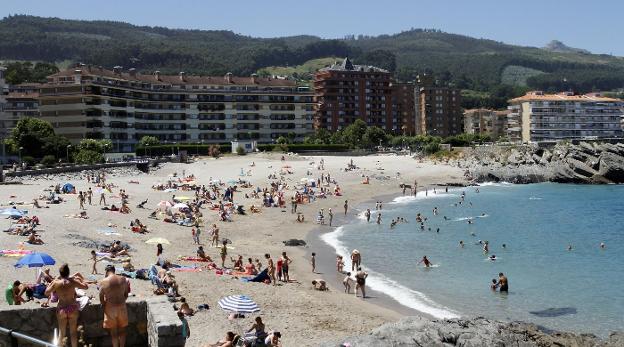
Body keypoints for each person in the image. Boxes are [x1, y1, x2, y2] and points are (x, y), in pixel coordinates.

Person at [45, 264, 89, 347]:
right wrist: (81, 280)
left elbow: (46, 292)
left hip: (61, 308)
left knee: (61, 333)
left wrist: (53, 281)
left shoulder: (56, 283)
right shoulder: (73, 281)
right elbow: (86, 287)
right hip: (72, 307)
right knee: (73, 333)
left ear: (60, 273)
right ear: (68, 273)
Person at [99, 264, 130, 347]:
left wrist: (104, 304)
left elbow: (101, 297)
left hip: (110, 308)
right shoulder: (123, 279)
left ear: (106, 271)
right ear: (114, 270)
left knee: (114, 333)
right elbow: (126, 294)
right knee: (122, 331)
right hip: (122, 307)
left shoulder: (103, 281)